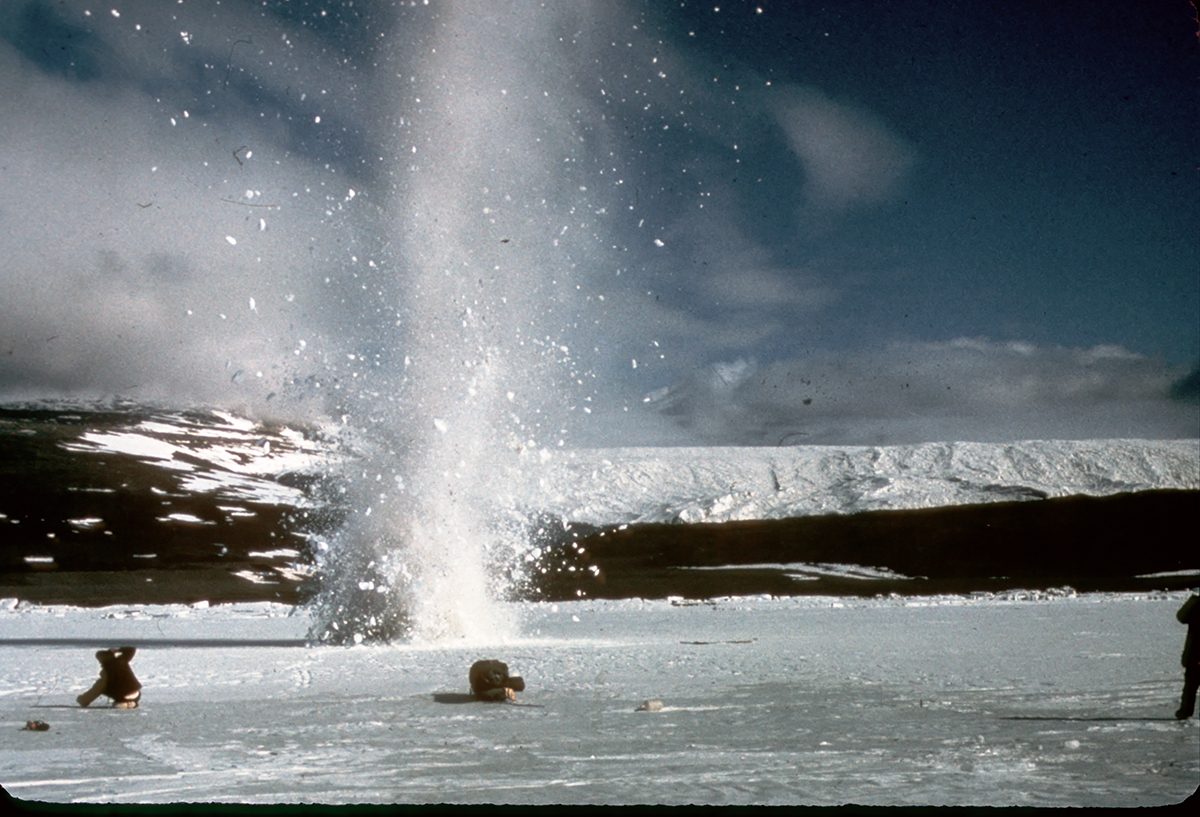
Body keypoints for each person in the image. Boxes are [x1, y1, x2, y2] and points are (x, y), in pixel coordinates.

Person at [77, 647, 142, 709]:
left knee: (103, 687)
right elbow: (131, 650)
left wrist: (83, 700)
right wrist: (118, 650)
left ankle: (123, 703)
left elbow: (95, 690)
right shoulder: (122, 660)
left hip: (123, 696)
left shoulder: (106, 673)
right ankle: (131, 702)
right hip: (136, 693)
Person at [1176, 593, 1199, 720]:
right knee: (1190, 686)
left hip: (1195, 655)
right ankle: (1185, 712)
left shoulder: (1196, 605)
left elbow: (1182, 617)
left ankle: (1185, 712)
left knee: (1190, 686)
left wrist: (1193, 600)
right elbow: (1181, 617)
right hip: (1195, 655)